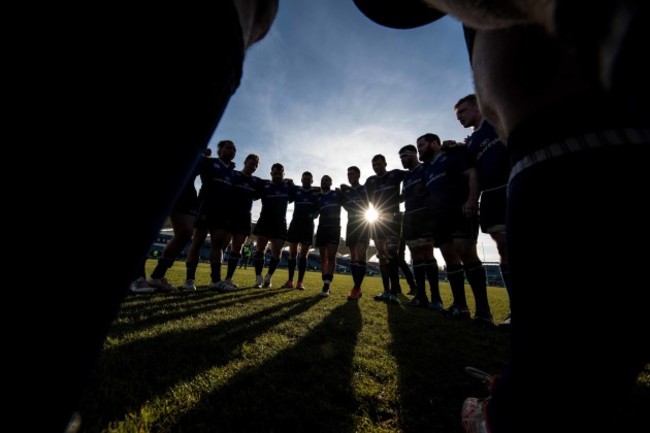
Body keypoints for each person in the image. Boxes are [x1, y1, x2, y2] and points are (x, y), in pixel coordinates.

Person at [353, 1, 649, 432]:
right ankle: (532, 385)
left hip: (564, 132)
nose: (462, 120)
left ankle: (521, 408)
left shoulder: (458, 154)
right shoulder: (464, 146)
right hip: (546, 145)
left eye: (464, 113)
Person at [51, 2, 279, 432]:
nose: (234, 156)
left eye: (236, 153)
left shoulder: (240, 175)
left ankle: (154, 275)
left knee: (192, 236)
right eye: (232, 151)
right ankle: (153, 276)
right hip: (218, 49)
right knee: (186, 234)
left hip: (224, 47)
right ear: (228, 152)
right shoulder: (215, 165)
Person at [452, 94, 512, 328]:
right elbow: (471, 173)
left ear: (478, 106)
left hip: (513, 183)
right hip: (491, 195)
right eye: (457, 116)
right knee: (503, 247)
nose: (459, 118)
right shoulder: (471, 143)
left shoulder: (498, 118)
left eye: (463, 112)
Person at [181, 140, 238, 292]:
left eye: (234, 149)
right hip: (205, 206)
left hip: (222, 211)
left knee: (217, 244)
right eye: (228, 148)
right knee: (198, 241)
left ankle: (215, 280)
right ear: (220, 150)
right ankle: (189, 280)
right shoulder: (209, 162)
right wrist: (201, 155)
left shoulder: (233, 171)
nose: (232, 151)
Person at [398, 145, 443, 310]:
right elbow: (404, 196)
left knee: (427, 252)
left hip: (425, 215)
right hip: (409, 217)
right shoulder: (406, 177)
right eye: (400, 158)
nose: (402, 160)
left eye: (405, 157)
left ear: (413, 155)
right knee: (415, 254)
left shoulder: (425, 167)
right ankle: (421, 296)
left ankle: (436, 298)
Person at [365, 154, 405, 304]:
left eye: (379, 164)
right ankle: (386, 291)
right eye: (374, 165)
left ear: (385, 163)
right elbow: (365, 196)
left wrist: (403, 196)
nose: (377, 167)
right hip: (377, 219)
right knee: (382, 256)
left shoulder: (395, 174)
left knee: (392, 254)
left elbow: (414, 173)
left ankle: (395, 292)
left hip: (393, 218)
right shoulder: (370, 181)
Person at [222, 154, 263, 288]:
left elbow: (269, 185)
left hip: (245, 216)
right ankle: (215, 278)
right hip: (229, 214)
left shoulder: (256, 181)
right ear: (245, 162)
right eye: (251, 163)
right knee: (222, 245)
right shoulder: (234, 175)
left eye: (256, 165)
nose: (253, 166)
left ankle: (228, 279)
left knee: (237, 248)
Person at [252, 163, 294, 288]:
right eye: (275, 173)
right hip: (265, 220)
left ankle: (268, 277)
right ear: (271, 173)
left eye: (280, 173)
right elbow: (253, 194)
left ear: (283, 174)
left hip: (280, 223)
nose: (277, 175)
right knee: (260, 250)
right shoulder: (264, 184)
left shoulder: (287, 186)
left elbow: (299, 193)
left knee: (277, 252)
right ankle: (258, 278)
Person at [283, 171, 320, 290]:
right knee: (293, 253)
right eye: (304, 179)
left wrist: (314, 214)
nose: (306, 181)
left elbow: (319, 207)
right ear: (301, 179)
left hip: (308, 226)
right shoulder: (297, 190)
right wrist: (288, 181)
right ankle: (290, 281)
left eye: (309, 179)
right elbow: (289, 186)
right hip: (295, 224)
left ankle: (300, 282)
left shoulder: (315, 192)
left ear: (312, 180)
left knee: (304, 255)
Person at [341, 166, 370, 300]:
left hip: (363, 222)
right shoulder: (346, 192)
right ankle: (357, 288)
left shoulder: (365, 188)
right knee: (353, 257)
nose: (350, 176)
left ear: (358, 175)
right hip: (351, 224)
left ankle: (355, 289)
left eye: (352, 174)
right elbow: (346, 206)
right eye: (348, 174)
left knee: (361, 255)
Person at [314, 175, 343, 297]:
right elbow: (315, 215)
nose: (324, 182)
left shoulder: (336, 194)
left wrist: (343, 190)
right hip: (321, 229)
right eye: (322, 180)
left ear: (331, 182)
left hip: (334, 228)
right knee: (323, 258)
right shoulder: (319, 197)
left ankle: (326, 285)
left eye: (326, 180)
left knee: (331, 256)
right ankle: (325, 281)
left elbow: (348, 202)